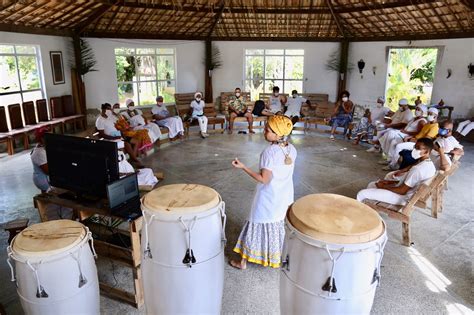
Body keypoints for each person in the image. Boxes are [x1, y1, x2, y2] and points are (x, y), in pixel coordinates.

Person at [230, 115, 297, 270]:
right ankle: (275, 257)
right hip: (284, 196)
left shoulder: (269, 152)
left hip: (268, 197)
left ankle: (243, 262)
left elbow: (264, 179)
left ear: (278, 134)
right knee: (277, 224)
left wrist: (243, 167)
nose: (265, 131)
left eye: (268, 129)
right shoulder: (292, 149)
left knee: (255, 223)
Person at [357, 138, 436, 206]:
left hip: (403, 198)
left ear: (426, 152)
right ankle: (368, 208)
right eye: (415, 147)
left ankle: (356, 215)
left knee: (362, 194)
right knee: (372, 185)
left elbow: (402, 191)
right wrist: (389, 182)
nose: (414, 150)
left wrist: (383, 187)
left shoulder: (417, 170)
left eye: (418, 148)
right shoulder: (429, 164)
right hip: (409, 192)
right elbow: (410, 177)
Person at [31, 127, 51, 193]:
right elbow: (47, 171)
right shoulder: (40, 152)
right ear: (41, 139)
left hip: (41, 177)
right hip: (43, 180)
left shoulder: (41, 146)